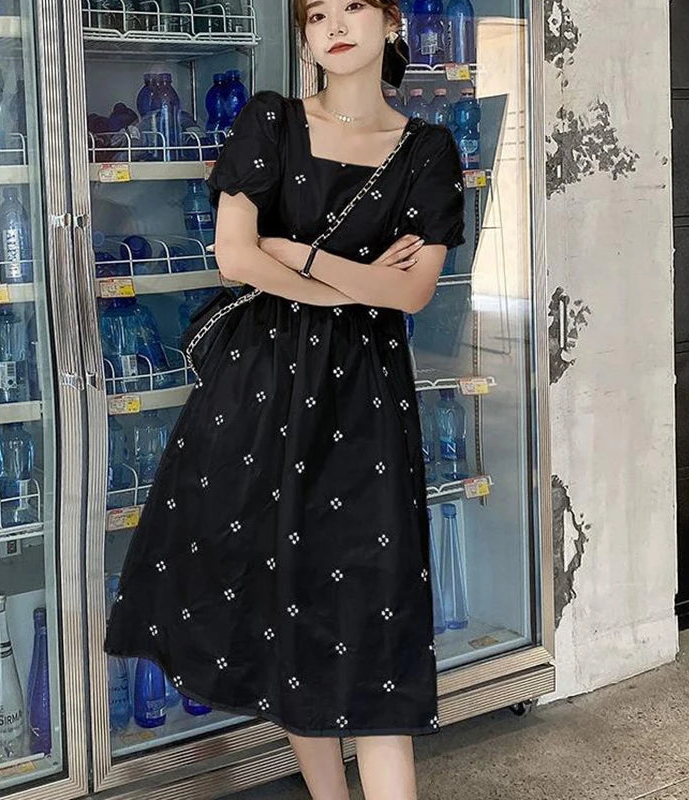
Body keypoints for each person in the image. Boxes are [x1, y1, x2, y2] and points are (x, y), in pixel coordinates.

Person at [104, 0, 466, 797]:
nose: (333, 25)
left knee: (372, 616)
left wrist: (299, 256)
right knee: (285, 603)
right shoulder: (270, 122)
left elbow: (413, 293)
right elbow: (236, 258)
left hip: (366, 404)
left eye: (353, 7)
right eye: (316, 14)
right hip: (262, 396)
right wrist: (356, 283)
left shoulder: (428, 148)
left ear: (390, 20)